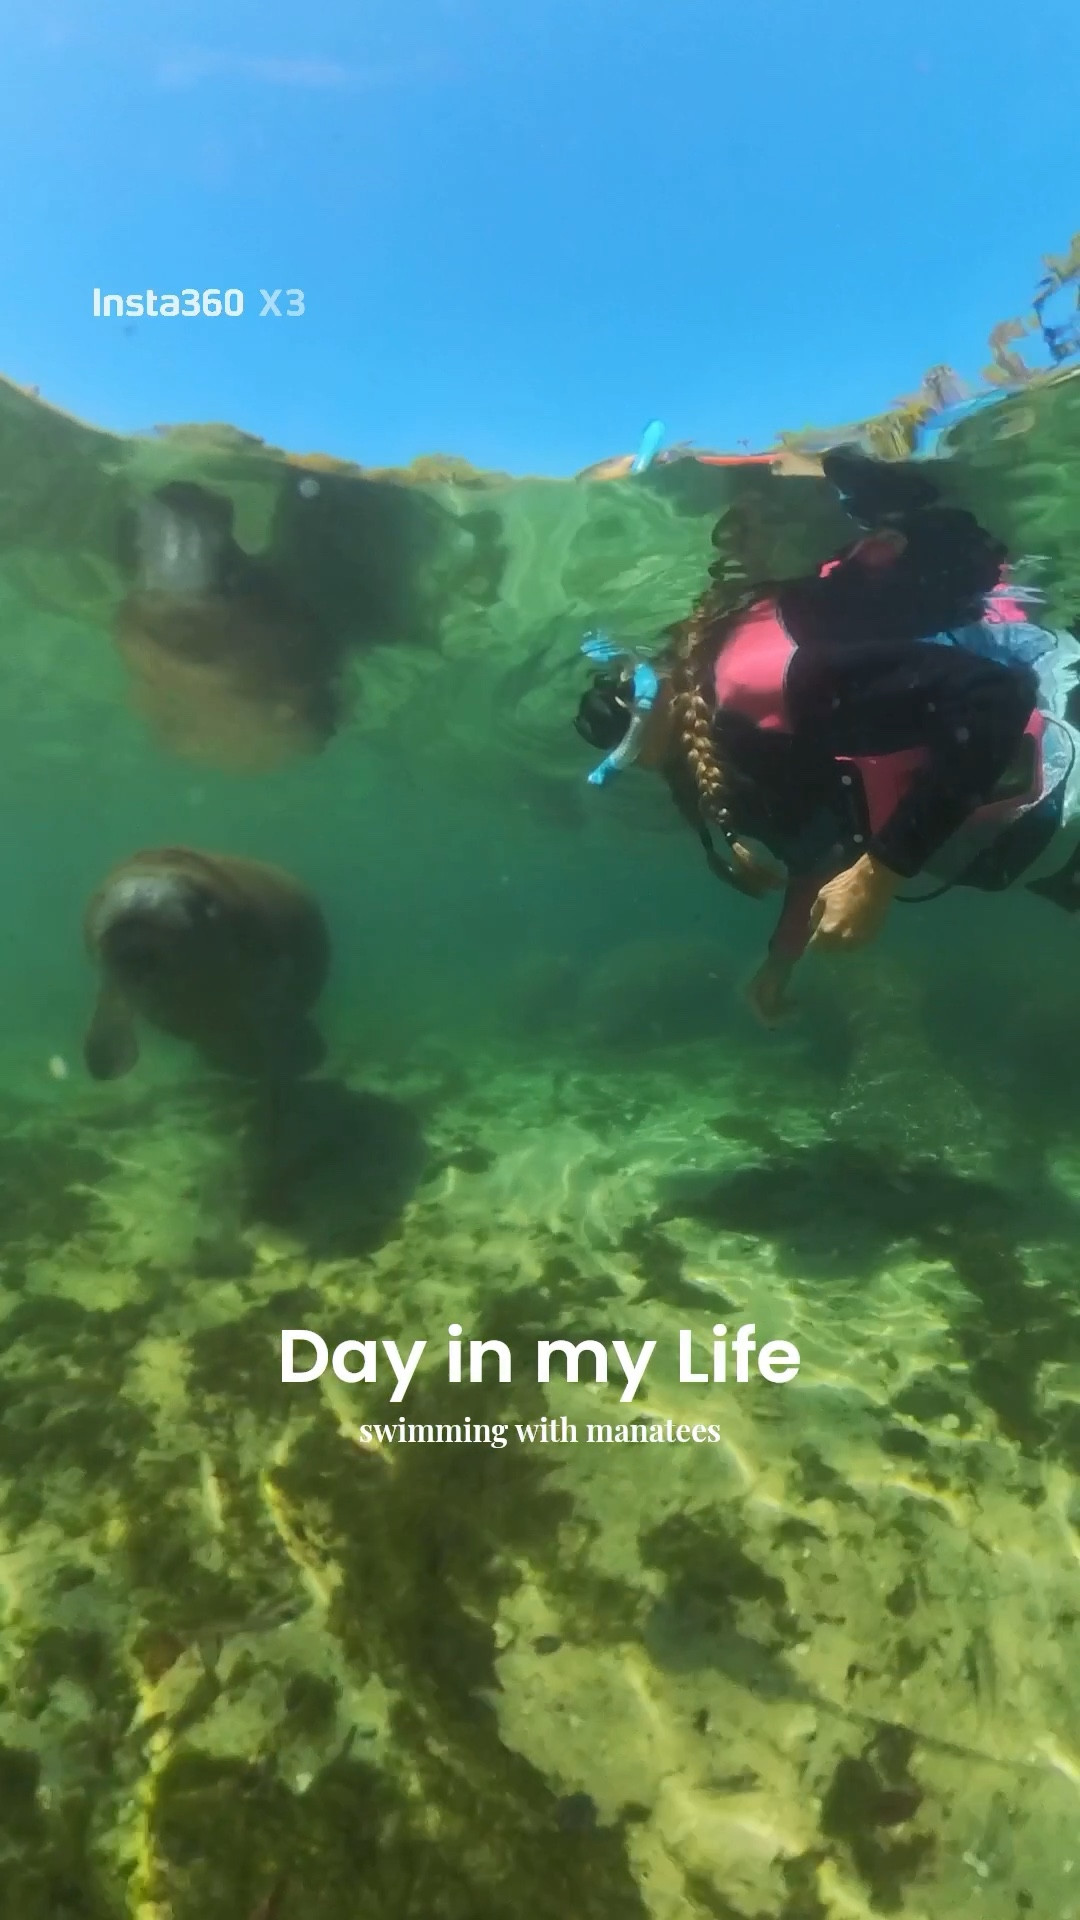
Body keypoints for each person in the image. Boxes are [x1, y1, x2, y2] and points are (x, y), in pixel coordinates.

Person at [573, 448, 1080, 1026]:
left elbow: (995, 702)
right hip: (1033, 854)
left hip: (1060, 794)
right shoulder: (728, 735)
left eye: (642, 757)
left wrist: (881, 873)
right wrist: (781, 960)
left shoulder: (760, 680)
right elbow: (819, 849)